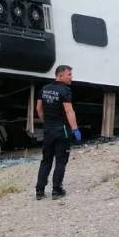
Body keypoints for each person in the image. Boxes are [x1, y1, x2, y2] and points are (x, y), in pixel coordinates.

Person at [35, 65, 81, 200]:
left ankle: (39, 190)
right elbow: (69, 110)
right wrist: (75, 129)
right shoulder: (65, 91)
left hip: (48, 130)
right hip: (62, 130)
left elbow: (39, 108)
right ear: (60, 76)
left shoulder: (44, 89)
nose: (71, 77)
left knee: (46, 160)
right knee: (61, 161)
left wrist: (46, 121)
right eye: (69, 74)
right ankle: (57, 190)